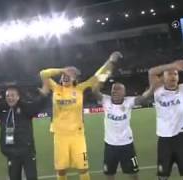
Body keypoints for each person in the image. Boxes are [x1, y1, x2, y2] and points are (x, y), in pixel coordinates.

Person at [39, 51, 123, 180]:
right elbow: (43, 74)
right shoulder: (56, 88)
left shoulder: (80, 89)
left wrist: (110, 62)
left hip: (77, 135)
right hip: (59, 135)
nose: (65, 76)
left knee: (83, 169)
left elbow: (98, 77)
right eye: (63, 75)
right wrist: (62, 70)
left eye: (69, 75)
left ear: (75, 79)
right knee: (61, 170)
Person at [148, 51, 183, 180]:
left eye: (176, 74)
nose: (173, 76)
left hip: (182, 138)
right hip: (164, 140)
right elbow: (151, 72)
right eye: (170, 74)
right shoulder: (157, 90)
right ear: (164, 77)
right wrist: (171, 65)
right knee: (162, 177)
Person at [0, 86, 47, 180]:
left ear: (18, 97)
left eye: (12, 95)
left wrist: (43, 96)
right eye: (7, 95)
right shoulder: (2, 110)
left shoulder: (25, 108)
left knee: (32, 177)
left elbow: (37, 106)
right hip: (12, 153)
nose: (10, 98)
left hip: (27, 152)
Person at [94, 82, 153, 180]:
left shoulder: (128, 101)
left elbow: (142, 98)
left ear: (124, 93)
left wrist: (151, 89)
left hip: (127, 144)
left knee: (133, 173)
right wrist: (100, 80)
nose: (115, 91)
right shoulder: (106, 100)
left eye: (118, 89)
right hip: (110, 145)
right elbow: (95, 91)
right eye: (113, 89)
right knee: (109, 173)